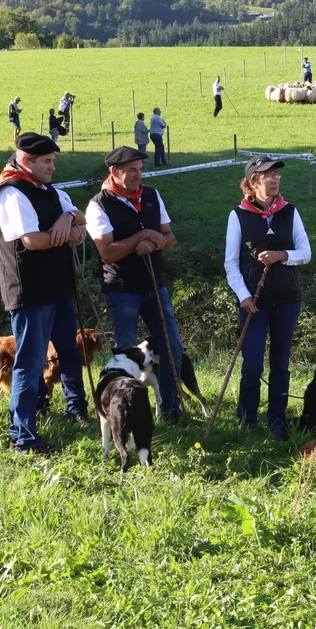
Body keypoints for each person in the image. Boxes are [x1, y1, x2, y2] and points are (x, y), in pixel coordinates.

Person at [0, 133, 90, 455]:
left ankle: (77, 410)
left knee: (69, 352)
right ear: (26, 161)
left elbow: (81, 221)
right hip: (29, 290)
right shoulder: (11, 192)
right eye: (46, 162)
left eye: (53, 161)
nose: (52, 167)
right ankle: (22, 435)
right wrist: (66, 233)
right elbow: (32, 241)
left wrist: (66, 218)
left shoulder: (49, 191)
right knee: (30, 363)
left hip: (58, 286)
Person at [85, 146, 187, 423]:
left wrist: (155, 242)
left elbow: (170, 237)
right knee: (126, 354)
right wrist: (142, 236)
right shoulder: (98, 205)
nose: (138, 175)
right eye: (131, 171)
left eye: (140, 170)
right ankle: (126, 413)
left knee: (172, 347)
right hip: (122, 289)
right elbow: (107, 253)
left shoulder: (152, 195)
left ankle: (170, 412)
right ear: (114, 172)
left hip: (155, 284)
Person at [224, 155, 311, 440]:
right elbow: (231, 264)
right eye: (267, 175)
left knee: (280, 364)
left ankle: (277, 421)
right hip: (254, 303)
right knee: (252, 365)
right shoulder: (238, 215)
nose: (274, 180)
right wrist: (244, 297)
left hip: (287, 299)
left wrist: (282, 255)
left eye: (276, 174)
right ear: (252, 183)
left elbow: (306, 253)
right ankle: (246, 421)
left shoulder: (290, 212)